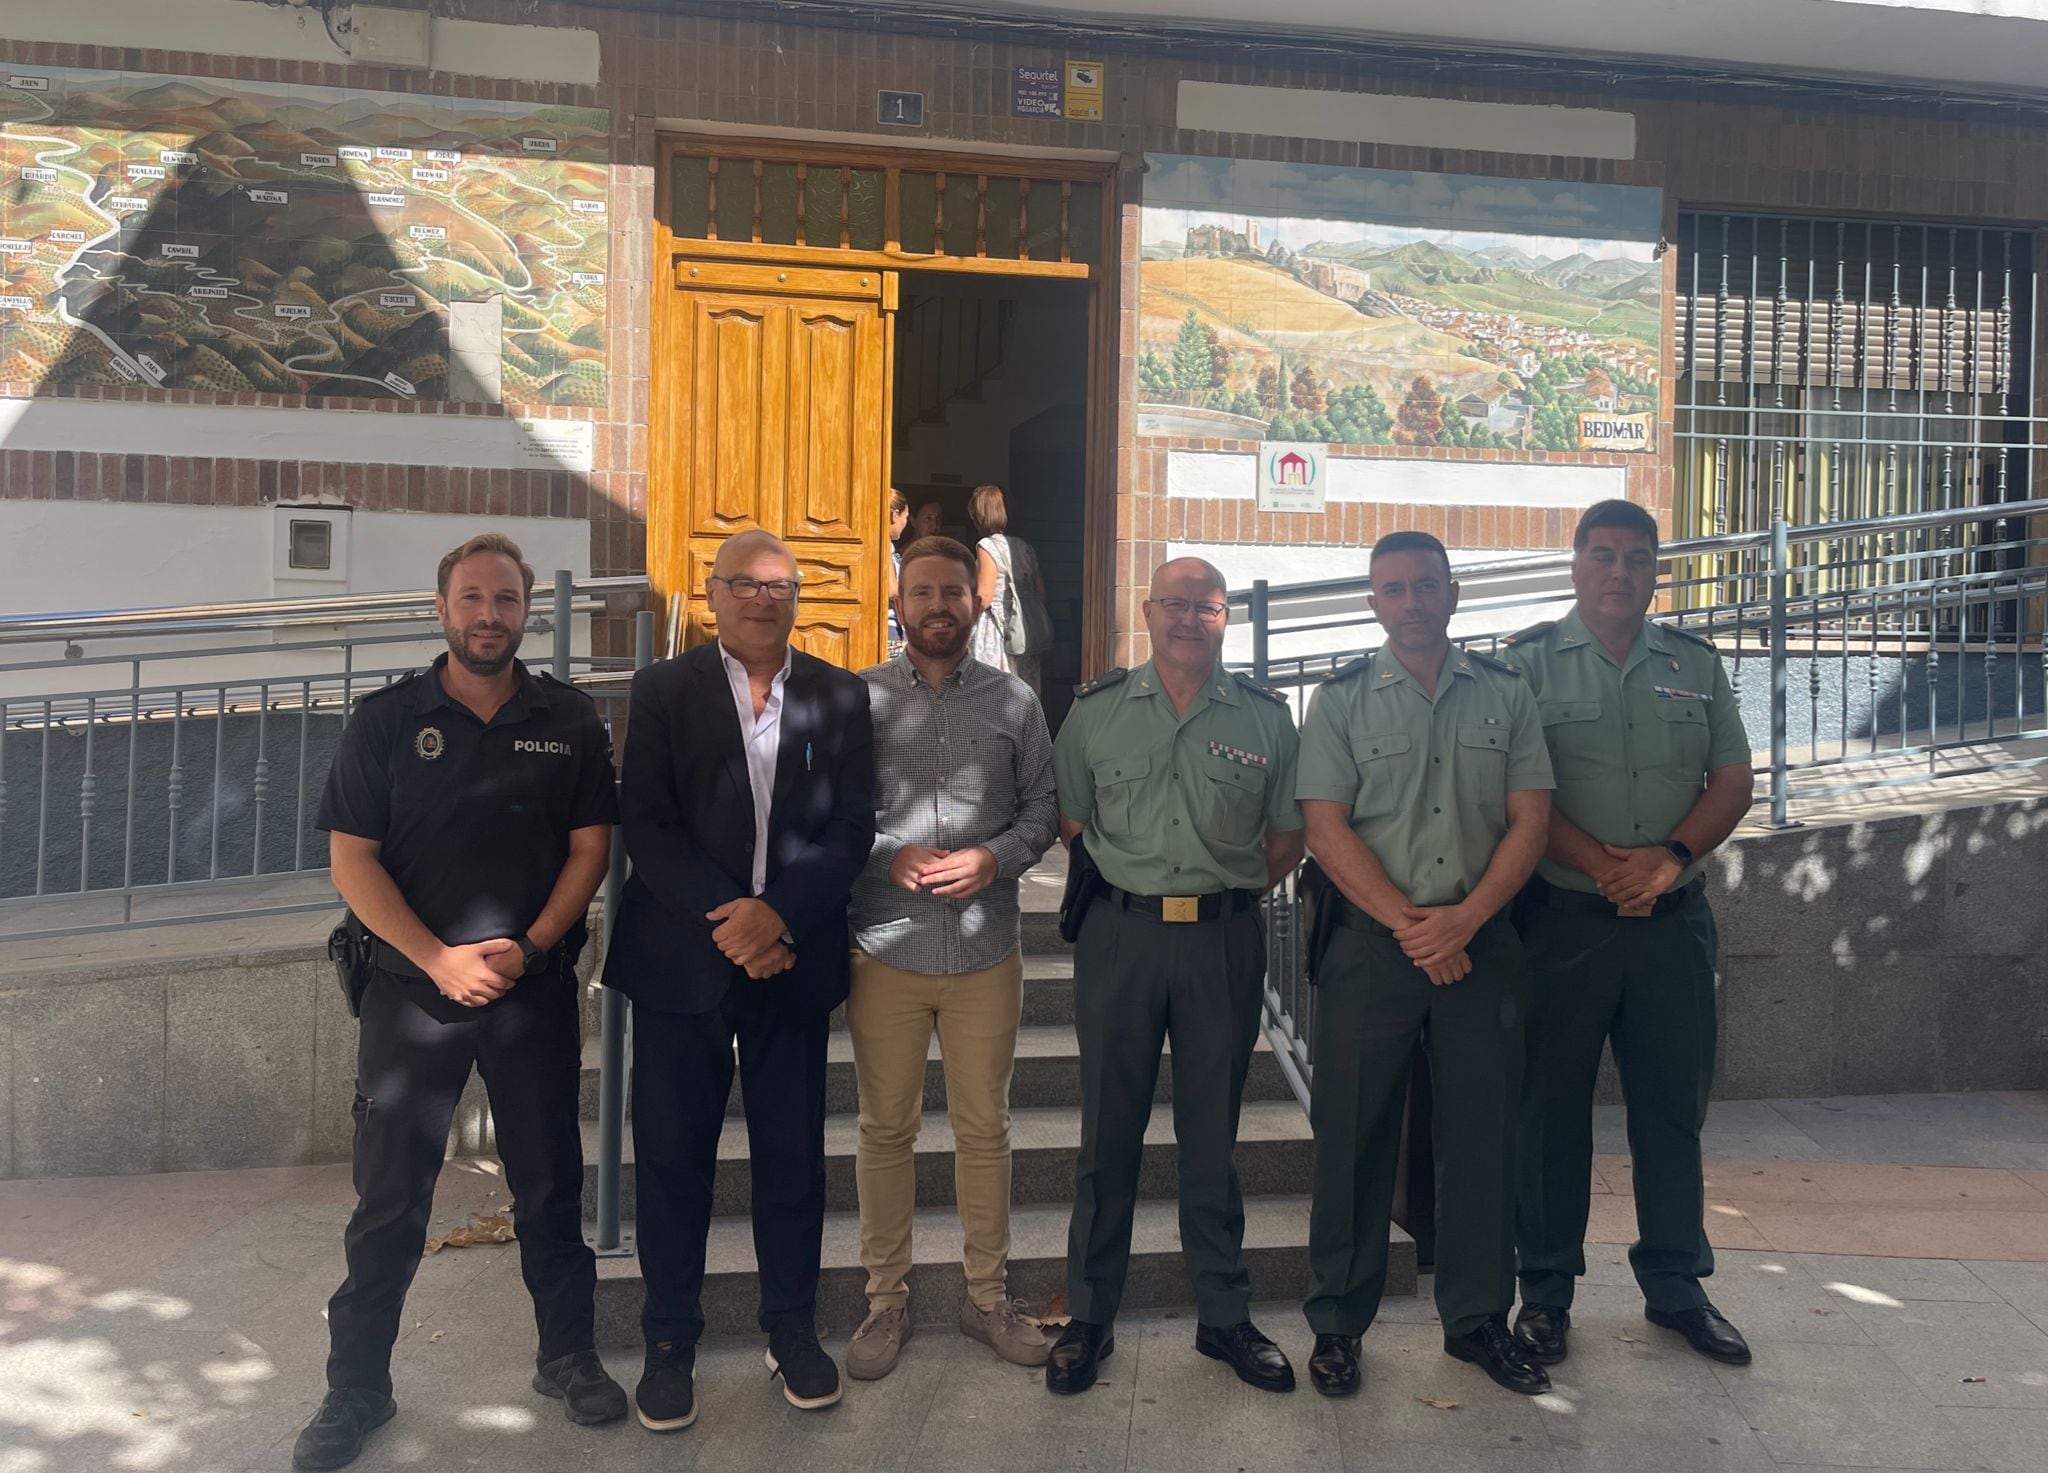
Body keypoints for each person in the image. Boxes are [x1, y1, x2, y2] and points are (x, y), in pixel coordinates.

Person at [294, 533, 624, 1471]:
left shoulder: (571, 717)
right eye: (473, 598)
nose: (491, 615)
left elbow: (589, 849)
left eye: (508, 599)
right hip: (411, 994)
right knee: (390, 1197)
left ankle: (567, 1356)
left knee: (551, 1183)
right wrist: (439, 959)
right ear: (441, 608)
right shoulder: (386, 719)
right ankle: (356, 1387)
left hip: (531, 992)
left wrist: (529, 948)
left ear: (529, 611)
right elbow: (350, 862)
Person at [603, 530, 876, 1431]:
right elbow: (645, 820)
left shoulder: (839, 694)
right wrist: (735, 918)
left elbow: (852, 829)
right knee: (674, 1160)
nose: (763, 598)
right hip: (685, 957)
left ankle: (791, 1330)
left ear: (799, 597)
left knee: (793, 1160)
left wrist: (779, 915)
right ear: (713, 592)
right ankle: (671, 1342)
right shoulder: (664, 689)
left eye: (780, 585)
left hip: (790, 960)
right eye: (745, 584)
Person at [1295, 530, 1554, 1400]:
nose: (1412, 601)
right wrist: (1414, 926)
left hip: (1484, 943)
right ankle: (1337, 1323)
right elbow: (1325, 828)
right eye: (1394, 588)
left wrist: (1467, 921)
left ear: (1453, 594)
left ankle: (1478, 1318)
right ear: (1373, 601)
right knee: (1354, 1140)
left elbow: (1530, 820)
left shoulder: (1506, 695)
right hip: (1373, 947)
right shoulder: (1338, 701)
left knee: (1484, 1137)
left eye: (1426, 586)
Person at [1502, 499, 1756, 1369]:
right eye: (1604, 555)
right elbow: (1518, 786)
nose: (1621, 573)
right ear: (1575, 564)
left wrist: (1669, 857)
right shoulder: (1526, 664)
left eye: (1638, 558)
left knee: (1671, 1110)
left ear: (1656, 570)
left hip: (1672, 927)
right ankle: (1544, 1293)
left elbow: (1731, 777)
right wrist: (1608, 866)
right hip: (1562, 924)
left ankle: (1677, 1286)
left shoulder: (1694, 663)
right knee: (1549, 1115)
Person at [1046, 557, 1305, 1397]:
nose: (1190, 618)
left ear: (1225, 618)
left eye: (1208, 605)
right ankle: (1089, 1317)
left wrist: (1212, 895)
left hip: (1221, 943)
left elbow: (1283, 841)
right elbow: (1073, 820)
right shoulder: (1096, 712)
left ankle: (1224, 1315)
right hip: (1121, 937)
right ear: (1148, 612)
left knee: (1212, 1137)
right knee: (1106, 1137)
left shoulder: (1266, 717)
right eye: (1175, 604)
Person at [843, 535, 1060, 1380]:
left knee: (985, 1130)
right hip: (884, 948)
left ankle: (985, 1297)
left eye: (953, 592)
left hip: (983, 953)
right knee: (884, 1129)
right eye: (921, 591)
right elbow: (825, 812)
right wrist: (879, 849)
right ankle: (885, 1301)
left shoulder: (1016, 703)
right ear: (897, 604)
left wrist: (994, 858)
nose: (937, 604)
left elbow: (1043, 808)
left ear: (977, 603)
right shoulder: (856, 699)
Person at [968, 483, 1050, 699]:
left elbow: (984, 597)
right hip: (1024, 633)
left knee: (993, 695)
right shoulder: (1025, 547)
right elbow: (1041, 594)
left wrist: (964, 621)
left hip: (996, 633)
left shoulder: (987, 546)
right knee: (1022, 694)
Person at [885, 488, 911, 659]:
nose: (905, 523)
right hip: (889, 630)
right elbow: (891, 590)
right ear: (894, 516)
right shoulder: (883, 546)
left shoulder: (889, 548)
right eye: (906, 517)